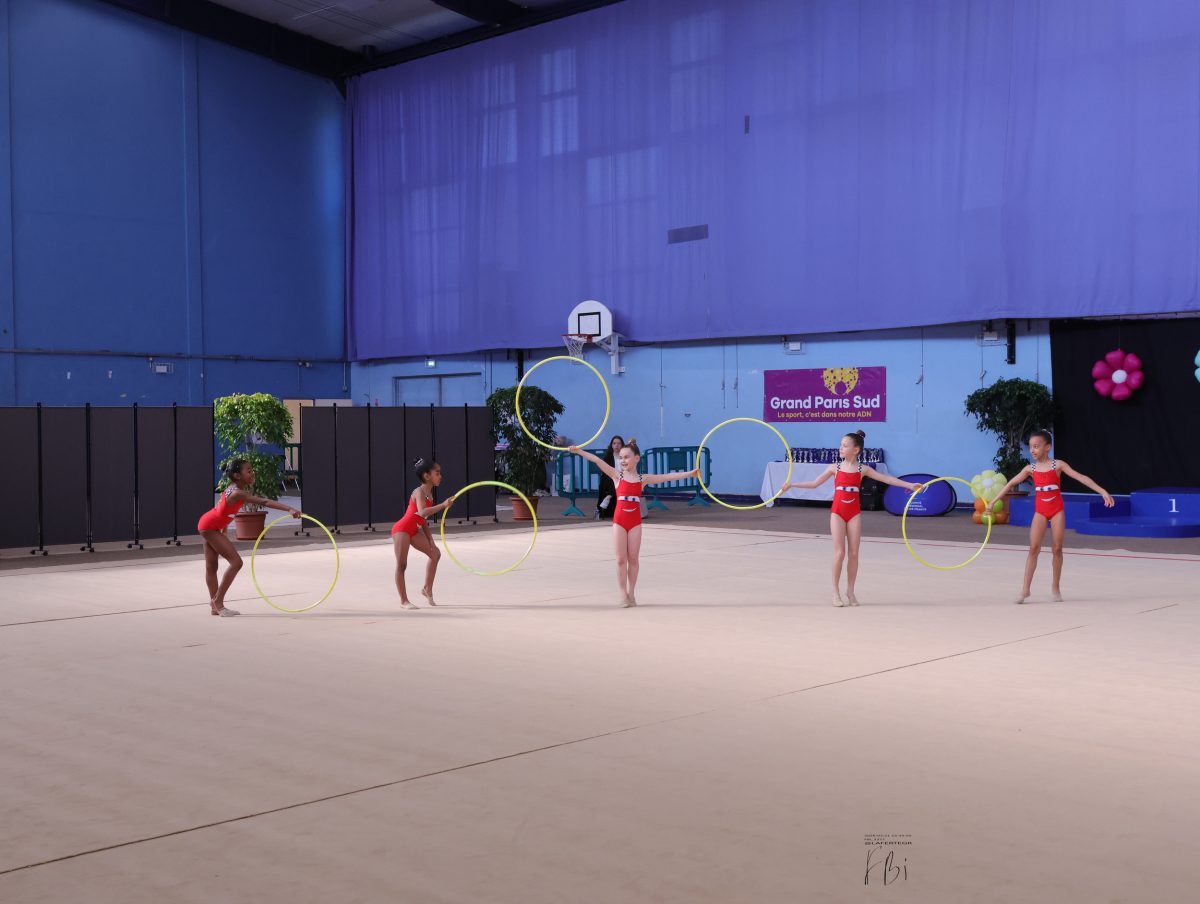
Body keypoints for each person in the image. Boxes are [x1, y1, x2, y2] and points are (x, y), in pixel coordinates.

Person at [782, 430, 923, 607]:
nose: (840, 448)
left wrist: (910, 485)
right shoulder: (834, 467)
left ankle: (850, 591)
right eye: (840, 445)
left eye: (844, 445)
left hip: (854, 514)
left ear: (856, 450)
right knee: (839, 552)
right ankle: (835, 592)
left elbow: (887, 479)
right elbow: (814, 483)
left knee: (854, 554)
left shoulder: (863, 469)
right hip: (837, 513)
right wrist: (792, 485)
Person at [568, 438, 698, 607]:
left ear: (636, 458)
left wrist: (690, 473)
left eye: (626, 457)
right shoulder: (617, 475)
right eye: (621, 457)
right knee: (620, 560)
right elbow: (597, 460)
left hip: (635, 523)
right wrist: (578, 451)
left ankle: (632, 593)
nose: (623, 460)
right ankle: (622, 593)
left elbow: (666, 477)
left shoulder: (643, 479)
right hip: (619, 521)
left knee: (633, 559)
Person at [992, 429, 1114, 604]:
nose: (1032, 450)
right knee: (1033, 548)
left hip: (1056, 510)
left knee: (1057, 548)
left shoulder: (1058, 465)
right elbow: (1011, 483)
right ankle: (1025, 589)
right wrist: (993, 501)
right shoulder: (1030, 469)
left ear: (1047, 447)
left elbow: (1081, 477)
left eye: (1036, 446)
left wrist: (1103, 491)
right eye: (1030, 447)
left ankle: (1055, 587)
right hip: (1040, 511)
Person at [198, 459, 301, 616]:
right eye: (249, 471)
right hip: (209, 527)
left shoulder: (233, 489)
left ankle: (215, 606)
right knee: (236, 563)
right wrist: (289, 509)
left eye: (252, 470)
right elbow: (265, 501)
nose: (253, 473)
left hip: (209, 524)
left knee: (211, 567)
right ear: (237, 475)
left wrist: (224, 528)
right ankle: (217, 602)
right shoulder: (238, 493)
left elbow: (222, 509)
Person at [391, 457, 457, 609]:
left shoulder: (429, 495)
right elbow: (422, 512)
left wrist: (430, 540)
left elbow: (422, 520)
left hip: (414, 530)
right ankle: (404, 601)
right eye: (437, 473)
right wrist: (443, 505)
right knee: (402, 565)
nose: (440, 476)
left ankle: (427, 588)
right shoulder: (419, 492)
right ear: (427, 476)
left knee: (435, 554)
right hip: (402, 530)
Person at [594, 434, 625, 520]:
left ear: (622, 445)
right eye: (614, 443)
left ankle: (609, 497)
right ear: (611, 445)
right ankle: (609, 496)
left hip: (623, 479)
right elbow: (606, 473)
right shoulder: (608, 457)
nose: (616, 445)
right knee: (613, 482)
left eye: (619, 443)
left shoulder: (625, 456)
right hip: (610, 480)